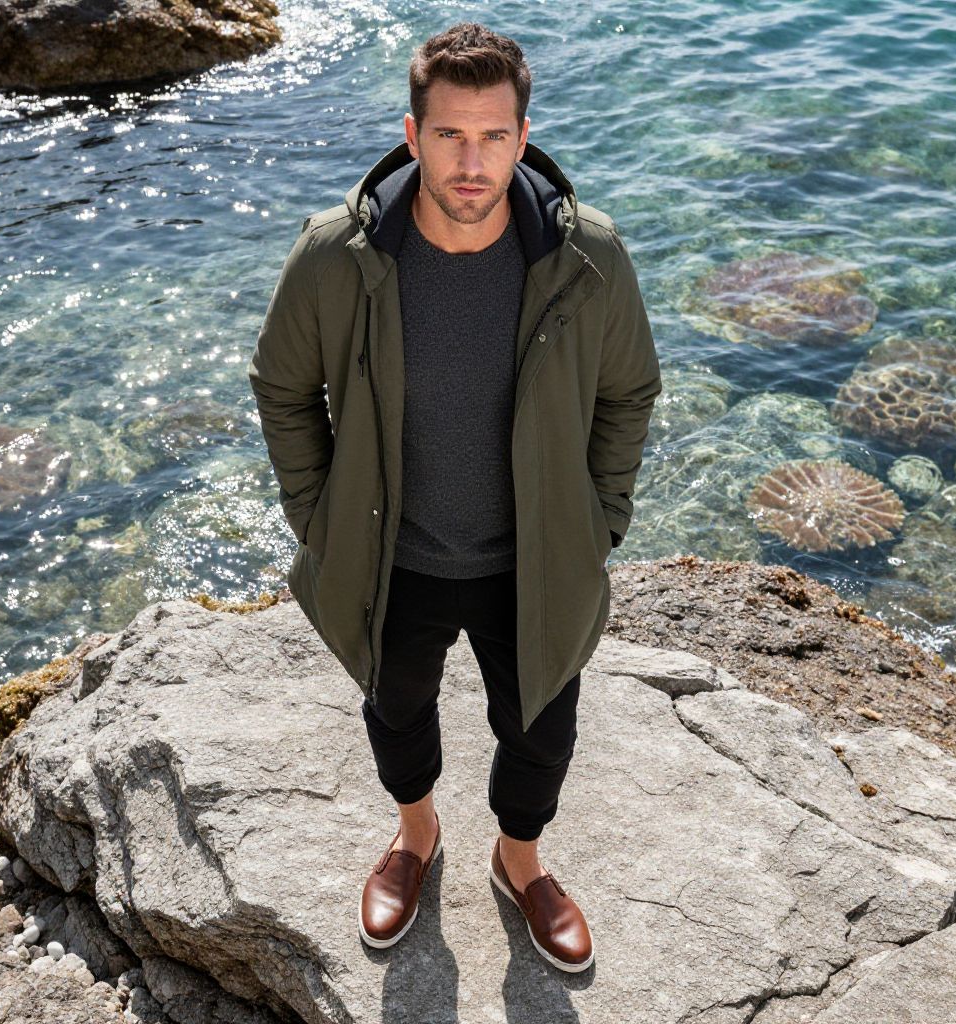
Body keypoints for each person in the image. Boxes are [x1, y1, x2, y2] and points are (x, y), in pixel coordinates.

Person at [248, 21, 662, 973]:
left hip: (535, 556)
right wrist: (318, 516)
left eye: (492, 137)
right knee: (396, 711)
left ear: (523, 138)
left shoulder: (587, 256)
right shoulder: (334, 257)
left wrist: (599, 520)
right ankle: (416, 836)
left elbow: (629, 391)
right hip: (394, 555)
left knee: (542, 729)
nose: (470, 163)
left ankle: (520, 863)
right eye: (448, 136)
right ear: (410, 134)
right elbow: (282, 386)